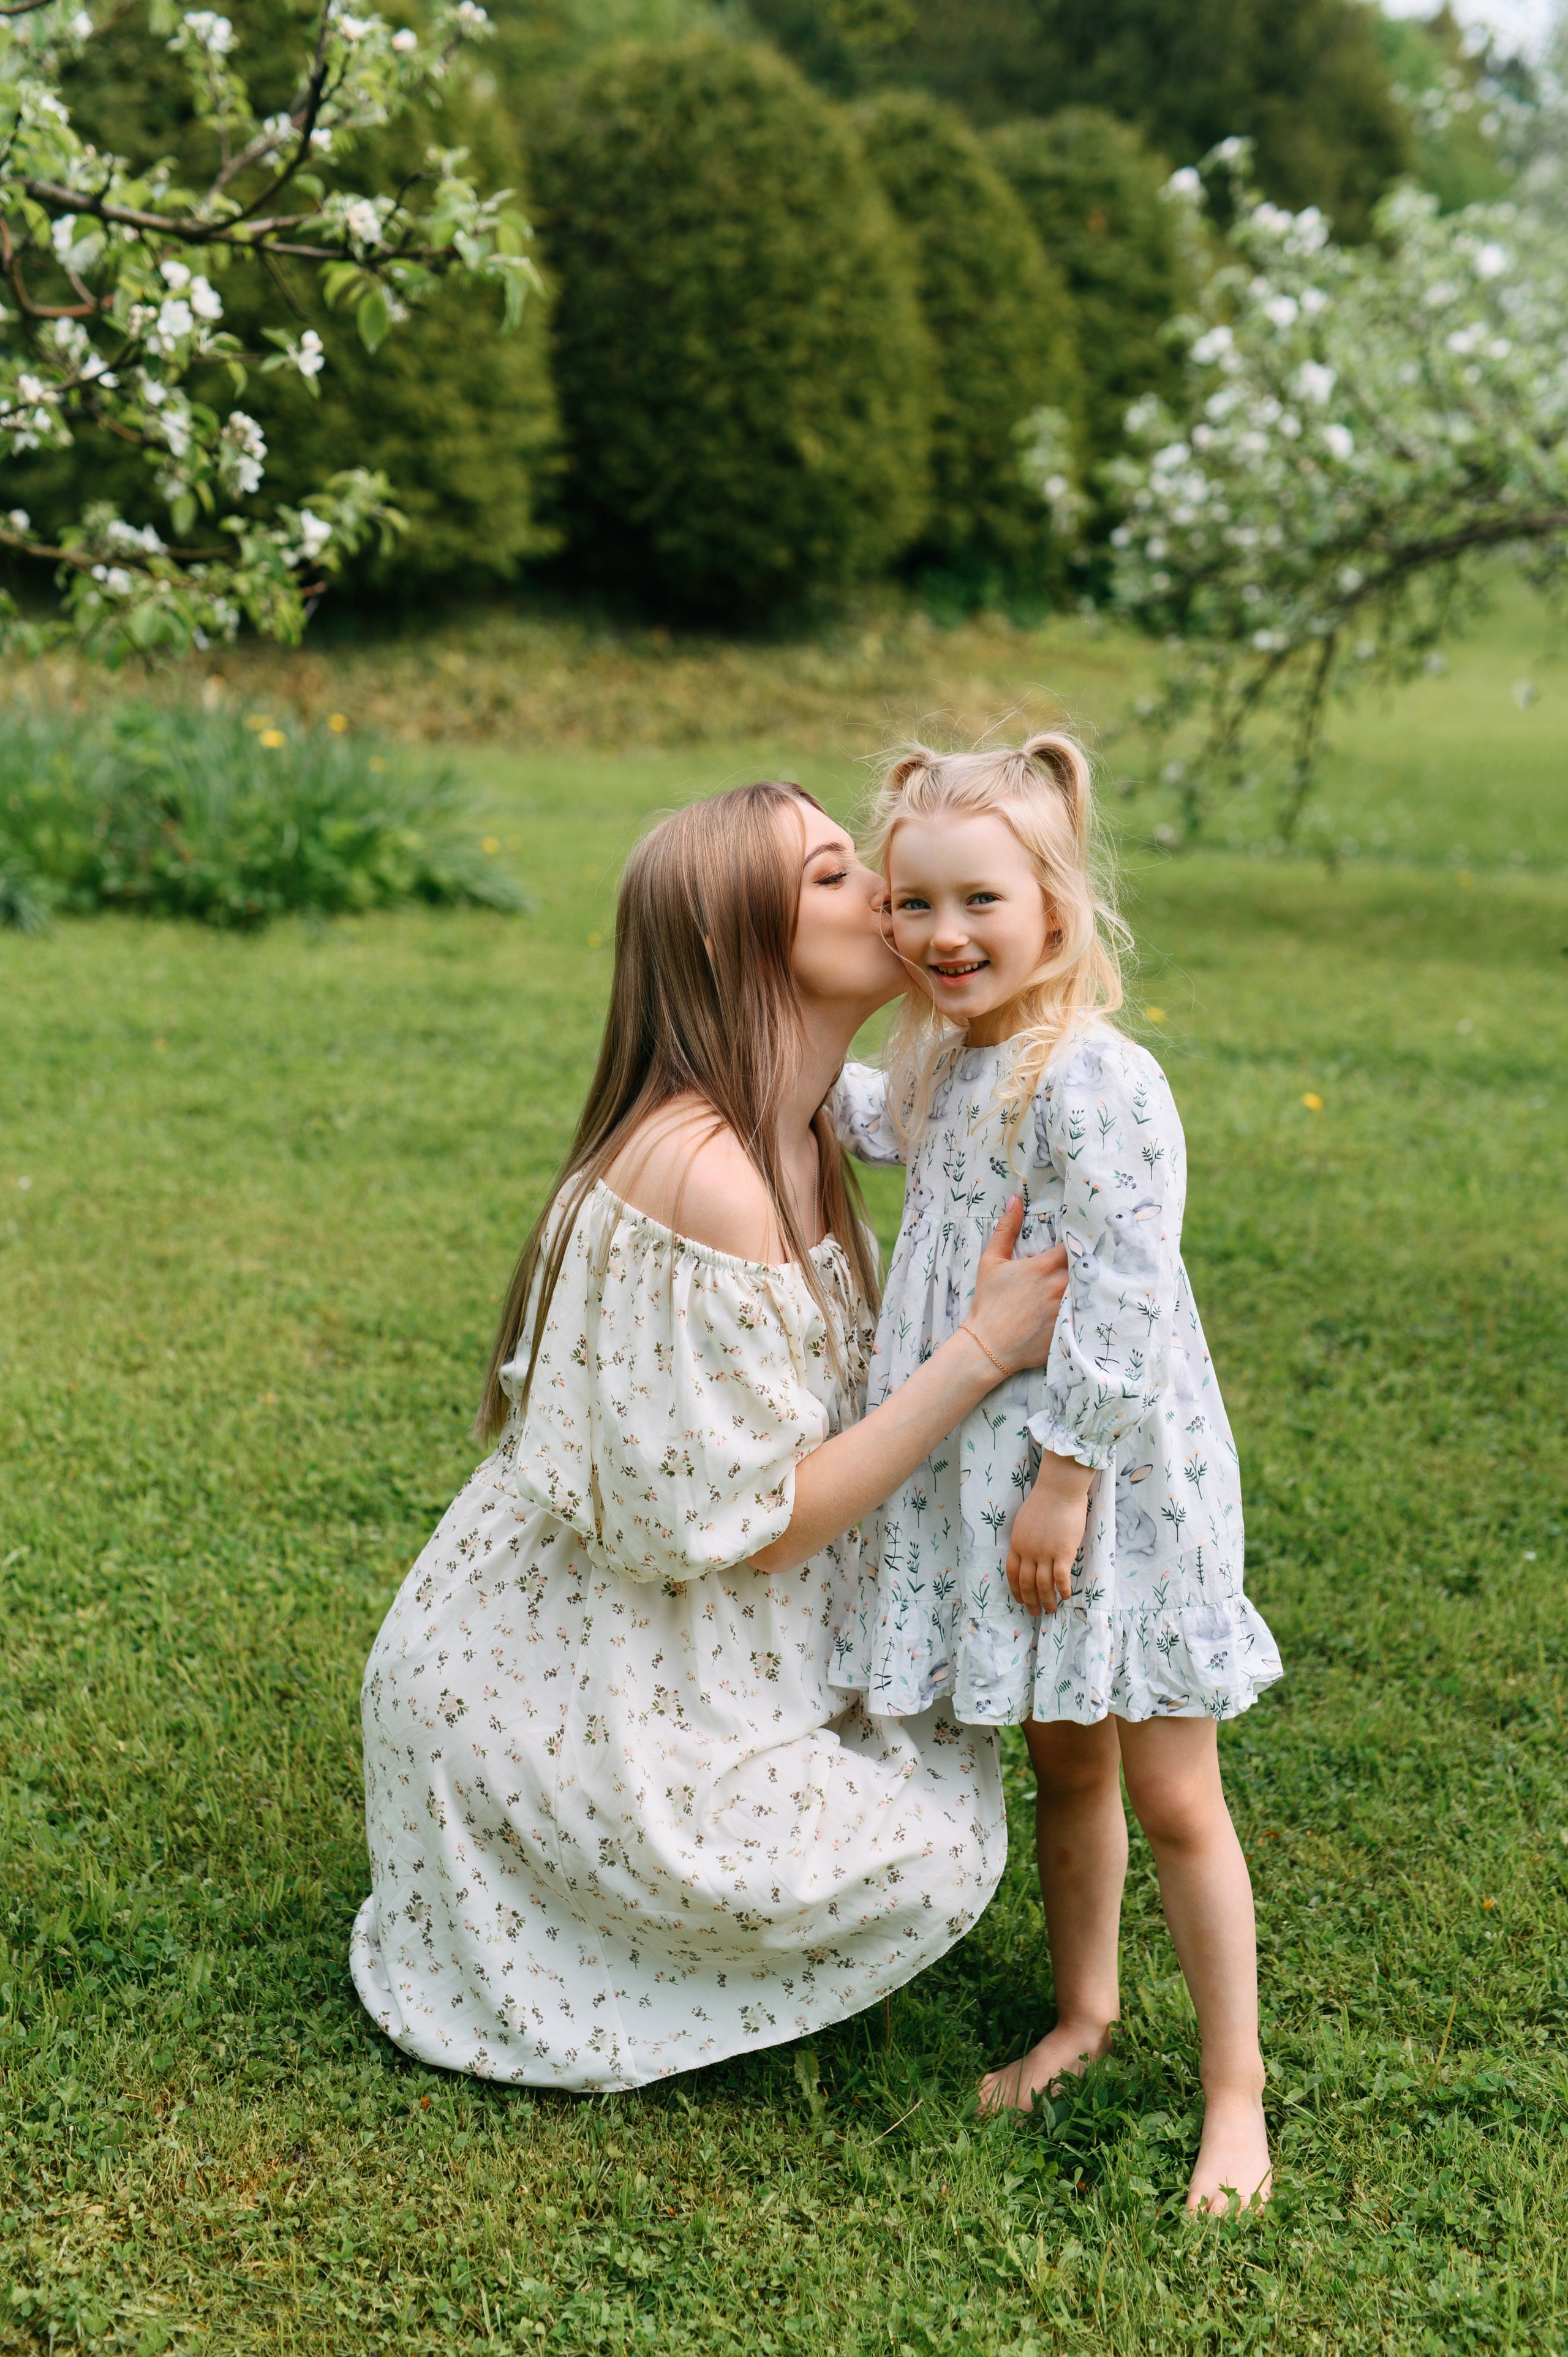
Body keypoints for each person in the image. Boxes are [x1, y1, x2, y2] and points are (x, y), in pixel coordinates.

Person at [350, 780, 1068, 2091]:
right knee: (926, 1846)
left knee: (929, 1777)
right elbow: (757, 1526)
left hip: (698, 1619)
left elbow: (994, 1088)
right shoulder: (706, 1174)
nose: (885, 896)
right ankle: (566, 1898)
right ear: (729, 944)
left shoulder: (801, 1116)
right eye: (836, 876)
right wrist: (982, 1348)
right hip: (588, 1670)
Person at [829, 734, 1282, 2212]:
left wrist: (1065, 1480)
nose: (942, 936)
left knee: (1170, 1790)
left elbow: (1128, 1291)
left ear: (1054, 905)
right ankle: (1081, 2013)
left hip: (1107, 1494)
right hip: (1017, 1488)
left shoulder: (1091, 1075)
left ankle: (1234, 2097)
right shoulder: (944, 1065)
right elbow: (854, 1118)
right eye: (911, 905)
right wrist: (728, 1040)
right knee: (1062, 1760)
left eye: (978, 902)